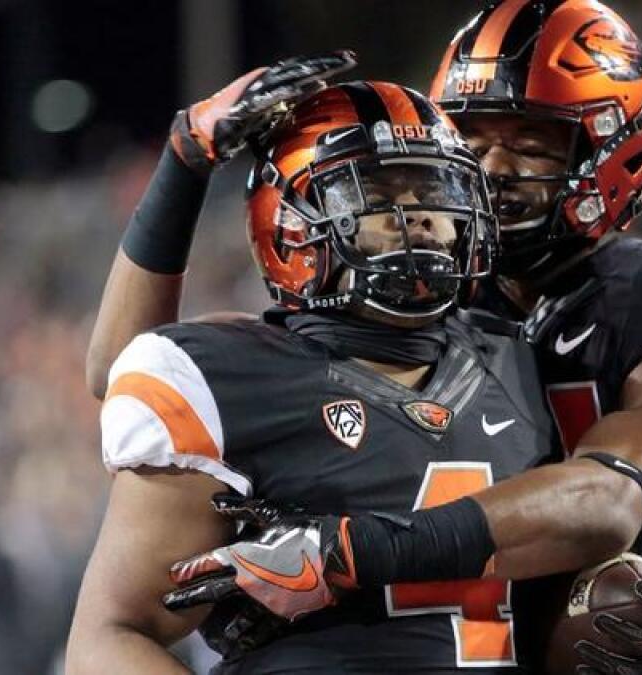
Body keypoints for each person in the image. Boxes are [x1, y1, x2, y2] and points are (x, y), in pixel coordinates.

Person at [85, 2, 642, 671]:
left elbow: (605, 502)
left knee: (623, 606)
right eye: (475, 139)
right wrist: (184, 162)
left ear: (620, 145)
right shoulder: (423, 307)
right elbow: (130, 375)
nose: (495, 167)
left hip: (600, 640)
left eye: (532, 143)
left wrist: (342, 551)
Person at [66, 81, 559, 673]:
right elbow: (111, 636)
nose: (422, 218)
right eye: (380, 194)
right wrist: (185, 161)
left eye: (434, 190)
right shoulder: (228, 377)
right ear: (291, 224)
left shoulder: (523, 357)